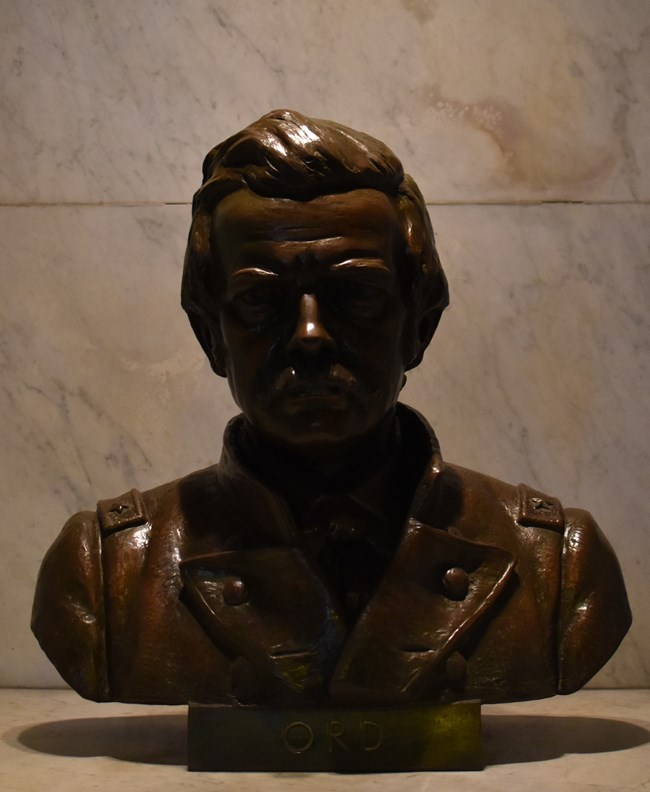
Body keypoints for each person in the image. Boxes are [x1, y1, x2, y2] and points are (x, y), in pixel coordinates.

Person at [32, 110, 631, 706]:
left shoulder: (560, 567)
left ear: (419, 324)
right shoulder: (103, 573)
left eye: (357, 295)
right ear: (209, 334)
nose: (310, 335)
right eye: (261, 298)